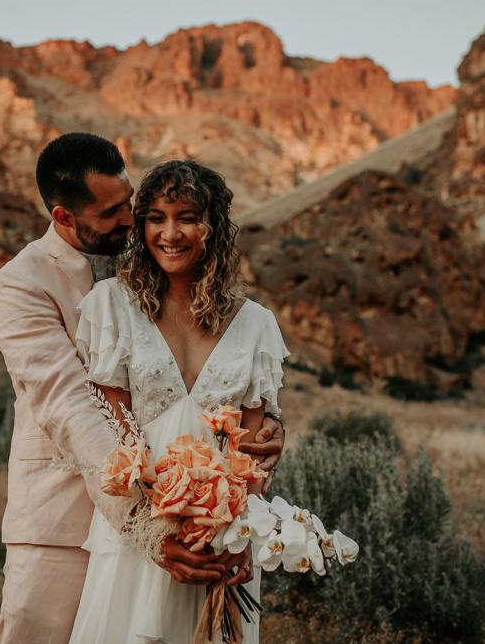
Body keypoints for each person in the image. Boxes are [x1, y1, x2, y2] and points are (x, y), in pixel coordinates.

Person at [0, 134, 285, 644]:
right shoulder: (23, 283)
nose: (129, 220)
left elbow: (234, 391)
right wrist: (152, 523)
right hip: (62, 525)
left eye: (130, 204)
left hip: (194, 525)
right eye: (112, 212)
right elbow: (69, 406)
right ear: (64, 217)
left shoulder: (140, 258)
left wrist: (268, 432)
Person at [69, 159, 289, 644]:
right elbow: (115, 436)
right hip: (139, 537)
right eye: (156, 217)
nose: (171, 233)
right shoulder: (112, 306)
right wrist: (158, 531)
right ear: (141, 223)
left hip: (220, 544)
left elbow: (251, 455)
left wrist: (240, 536)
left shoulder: (257, 325)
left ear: (213, 227)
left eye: (187, 217)